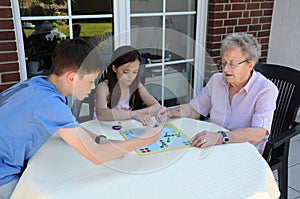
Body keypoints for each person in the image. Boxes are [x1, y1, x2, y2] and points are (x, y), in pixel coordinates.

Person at [0, 38, 163, 199]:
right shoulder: (49, 103)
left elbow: (72, 127)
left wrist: (102, 140)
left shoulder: (39, 84)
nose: (93, 87)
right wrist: (144, 139)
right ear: (72, 78)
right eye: (91, 81)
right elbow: (96, 155)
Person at [157, 32, 279, 154]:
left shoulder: (266, 90)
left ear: (250, 65)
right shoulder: (217, 80)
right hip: (215, 145)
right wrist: (171, 112)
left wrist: (220, 137)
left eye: (232, 64)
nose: (225, 69)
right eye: (224, 62)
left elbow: (259, 132)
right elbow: (194, 109)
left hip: (245, 151)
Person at [95, 45, 162, 126]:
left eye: (135, 72)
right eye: (126, 72)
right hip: (103, 128)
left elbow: (157, 106)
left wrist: (135, 113)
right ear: (114, 68)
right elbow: (101, 114)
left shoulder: (136, 86)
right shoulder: (104, 87)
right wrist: (132, 114)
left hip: (123, 127)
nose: (131, 77)